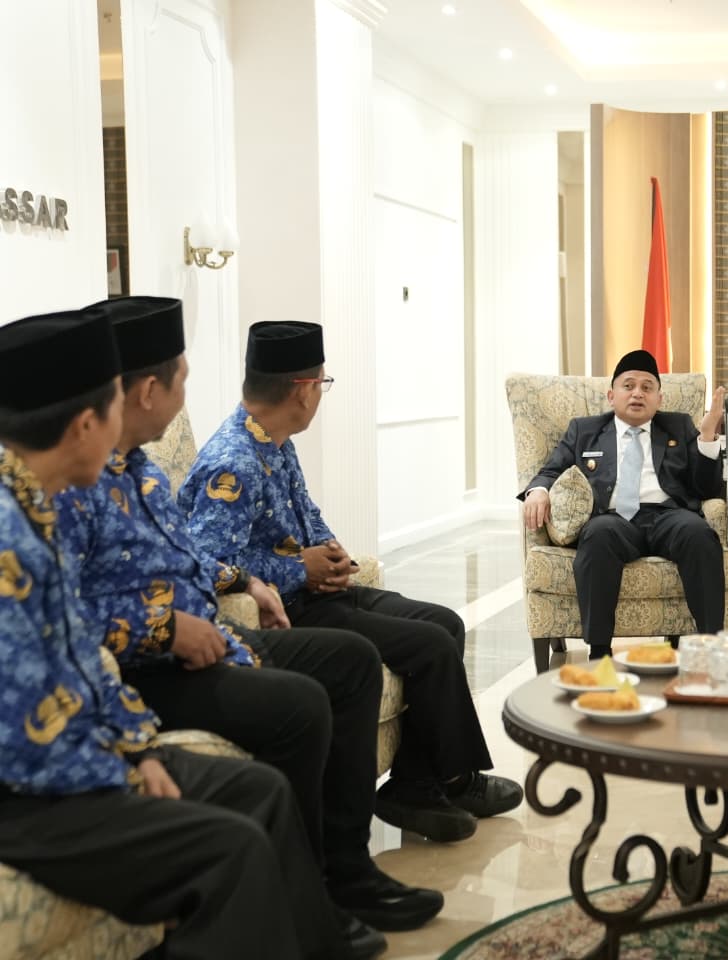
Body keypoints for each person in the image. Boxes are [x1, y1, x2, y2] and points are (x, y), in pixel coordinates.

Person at [56, 296, 441, 937]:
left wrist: (246, 581)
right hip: (151, 664)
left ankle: (347, 869)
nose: (189, 395)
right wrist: (168, 626)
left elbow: (191, 556)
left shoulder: (138, 469)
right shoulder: (73, 486)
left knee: (351, 662)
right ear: (149, 390)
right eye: (182, 377)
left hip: (208, 632)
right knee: (302, 702)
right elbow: (65, 615)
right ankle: (308, 896)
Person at [0, 307, 362, 960]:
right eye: (112, 404)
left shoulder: (37, 506)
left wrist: (139, 746)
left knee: (261, 789)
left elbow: (81, 659)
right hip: (34, 790)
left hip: (93, 742)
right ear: (86, 425)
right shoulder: (12, 538)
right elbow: (28, 733)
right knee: (232, 849)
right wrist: (123, 770)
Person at [176, 321, 522, 844]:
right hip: (294, 609)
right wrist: (301, 568)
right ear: (303, 390)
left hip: (321, 592)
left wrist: (332, 552)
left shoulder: (274, 441)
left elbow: (306, 514)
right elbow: (209, 561)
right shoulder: (234, 460)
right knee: (429, 644)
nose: (321, 394)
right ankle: (448, 780)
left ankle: (418, 780)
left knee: (444, 623)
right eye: (323, 383)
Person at [520, 349, 727, 660]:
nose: (637, 393)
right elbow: (551, 470)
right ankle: (599, 651)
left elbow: (706, 487)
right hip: (612, 518)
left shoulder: (680, 426)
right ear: (611, 395)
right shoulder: (584, 430)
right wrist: (538, 491)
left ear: (659, 399)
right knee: (598, 535)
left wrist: (708, 437)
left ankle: (712, 648)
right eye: (628, 386)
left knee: (700, 535)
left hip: (669, 516)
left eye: (647, 387)